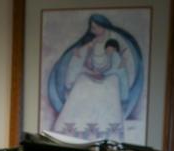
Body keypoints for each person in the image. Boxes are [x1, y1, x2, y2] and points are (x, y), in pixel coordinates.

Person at [47, 14, 144, 142]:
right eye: (92, 27)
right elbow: (86, 57)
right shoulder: (93, 42)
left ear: (103, 26)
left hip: (110, 76)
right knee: (81, 80)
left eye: (96, 27)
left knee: (112, 82)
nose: (93, 30)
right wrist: (85, 62)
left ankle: (107, 129)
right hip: (95, 73)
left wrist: (105, 72)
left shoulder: (113, 40)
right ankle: (71, 127)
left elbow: (115, 64)